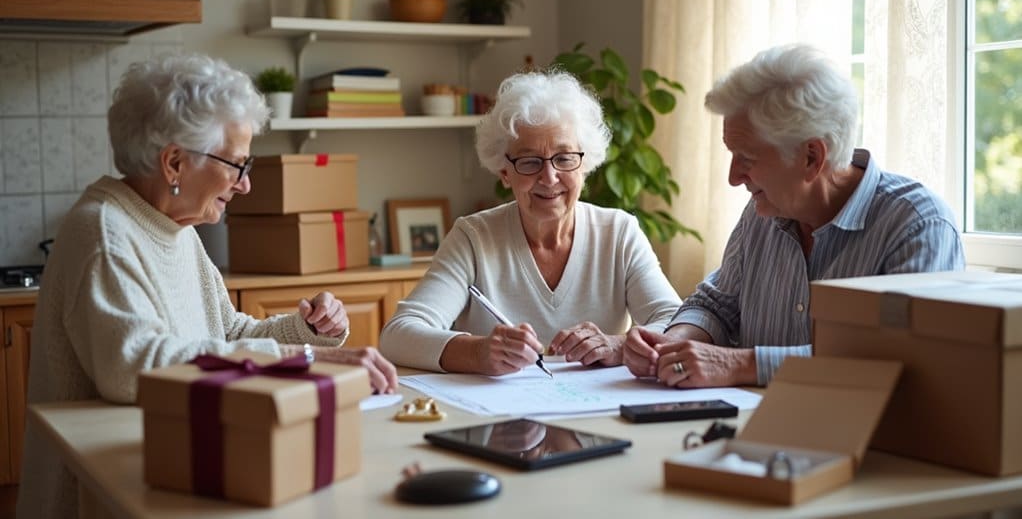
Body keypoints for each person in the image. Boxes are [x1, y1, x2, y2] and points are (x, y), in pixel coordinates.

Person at [17, 53, 398, 519]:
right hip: (95, 495)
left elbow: (227, 335)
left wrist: (306, 332)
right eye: (237, 164)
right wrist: (305, 361)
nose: (246, 184)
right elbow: (134, 367)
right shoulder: (102, 232)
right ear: (174, 162)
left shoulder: (176, 231)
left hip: (166, 469)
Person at [623, 44, 965, 389]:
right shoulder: (763, 212)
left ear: (811, 158)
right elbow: (716, 304)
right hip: (748, 427)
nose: (733, 177)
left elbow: (900, 362)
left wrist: (742, 364)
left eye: (746, 157)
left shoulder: (919, 226)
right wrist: (678, 339)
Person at [379, 71, 682, 375]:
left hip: (596, 415)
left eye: (564, 158)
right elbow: (398, 335)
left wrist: (618, 346)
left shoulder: (619, 233)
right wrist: (478, 352)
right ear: (504, 172)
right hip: (496, 414)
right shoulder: (473, 238)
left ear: (584, 166)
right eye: (529, 161)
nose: (549, 178)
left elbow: (676, 321)